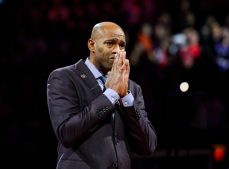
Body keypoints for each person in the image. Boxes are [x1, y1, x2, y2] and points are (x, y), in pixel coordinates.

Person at [47, 21, 157, 169]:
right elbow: (67, 133)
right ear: (91, 45)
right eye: (110, 43)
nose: (117, 50)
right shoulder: (64, 77)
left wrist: (126, 98)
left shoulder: (132, 88)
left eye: (121, 45)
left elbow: (148, 146)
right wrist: (111, 94)